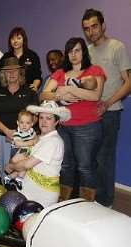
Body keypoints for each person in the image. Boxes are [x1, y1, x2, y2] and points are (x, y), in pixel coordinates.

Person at [40, 37, 106, 201]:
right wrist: (58, 94)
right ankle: (64, 202)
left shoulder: (94, 70)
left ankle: (87, 204)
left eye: (77, 50)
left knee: (85, 167)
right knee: (66, 166)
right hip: (63, 127)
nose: (74, 54)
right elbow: (43, 94)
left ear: (84, 52)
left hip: (87, 127)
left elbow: (95, 95)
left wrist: (69, 89)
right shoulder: (60, 72)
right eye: (70, 51)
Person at [82, 8, 131, 207]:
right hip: (89, 113)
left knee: (104, 159)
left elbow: (128, 82)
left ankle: (106, 203)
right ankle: (91, 200)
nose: (91, 31)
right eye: (86, 28)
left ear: (103, 26)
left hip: (110, 113)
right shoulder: (87, 51)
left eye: (94, 26)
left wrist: (107, 103)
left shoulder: (116, 47)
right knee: (89, 159)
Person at [5, 101, 70, 208]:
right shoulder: (38, 137)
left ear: (56, 121)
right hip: (26, 188)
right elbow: (21, 155)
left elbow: (27, 164)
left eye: (49, 118)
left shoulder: (53, 141)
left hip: (41, 195)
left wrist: (11, 166)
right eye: (41, 117)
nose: (44, 122)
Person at [0, 57, 39, 180]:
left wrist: (21, 132)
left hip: (26, 139)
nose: (11, 73)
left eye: (14, 70)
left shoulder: (29, 92)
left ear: (20, 73)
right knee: (5, 171)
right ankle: (6, 197)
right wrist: (7, 131)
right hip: (3, 138)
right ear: (3, 74)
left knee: (24, 173)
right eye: (8, 71)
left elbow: (36, 117)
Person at [0, 27, 42, 91]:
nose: (15, 41)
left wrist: (34, 86)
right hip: (10, 92)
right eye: (13, 39)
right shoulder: (6, 56)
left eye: (18, 38)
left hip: (28, 92)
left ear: (24, 40)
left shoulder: (32, 55)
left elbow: (37, 76)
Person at [4, 110, 38, 188]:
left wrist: (35, 141)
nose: (24, 125)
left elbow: (36, 138)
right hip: (17, 150)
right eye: (22, 122)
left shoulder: (31, 131)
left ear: (32, 124)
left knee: (23, 168)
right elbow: (18, 143)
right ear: (18, 123)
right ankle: (18, 178)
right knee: (24, 165)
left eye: (27, 123)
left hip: (27, 150)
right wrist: (30, 143)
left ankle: (10, 178)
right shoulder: (17, 133)